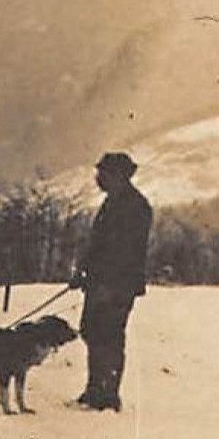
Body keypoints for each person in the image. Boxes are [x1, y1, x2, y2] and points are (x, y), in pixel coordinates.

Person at [68, 152, 153, 412]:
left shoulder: (135, 207)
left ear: (119, 175)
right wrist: (83, 271)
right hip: (101, 283)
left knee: (109, 336)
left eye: (103, 173)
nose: (98, 178)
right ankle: (95, 390)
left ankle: (108, 395)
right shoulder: (113, 202)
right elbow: (97, 245)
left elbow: (125, 253)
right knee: (93, 331)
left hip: (117, 285)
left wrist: (106, 284)